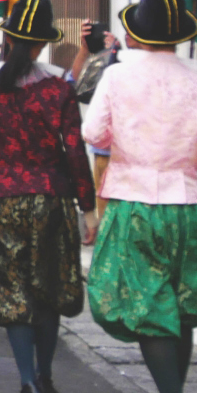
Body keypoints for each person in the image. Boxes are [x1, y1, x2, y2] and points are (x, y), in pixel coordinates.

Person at [83, 0, 197, 393]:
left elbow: (94, 133)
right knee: (181, 305)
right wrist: (184, 161)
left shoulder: (118, 76)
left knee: (147, 305)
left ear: (136, 33)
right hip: (186, 205)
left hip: (133, 201)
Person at [0, 0, 94, 393]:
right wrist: (88, 208)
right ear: (41, 44)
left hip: (0, 199)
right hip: (51, 199)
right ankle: (46, 374)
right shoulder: (58, 89)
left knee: (12, 291)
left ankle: (27, 383)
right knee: (47, 288)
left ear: (9, 37)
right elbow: (75, 153)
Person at [70, 21, 122, 240]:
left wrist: (116, 53)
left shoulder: (124, 65)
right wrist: (85, 49)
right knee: (104, 208)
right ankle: (101, 236)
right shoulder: (96, 64)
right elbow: (75, 82)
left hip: (123, 155)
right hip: (100, 152)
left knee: (119, 213)